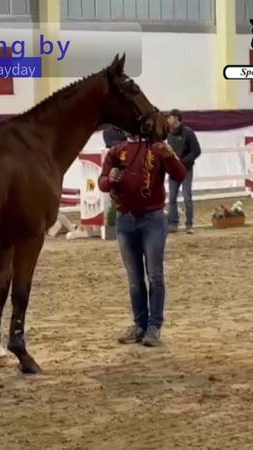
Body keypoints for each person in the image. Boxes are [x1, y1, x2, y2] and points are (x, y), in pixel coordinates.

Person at [98, 132, 186, 347]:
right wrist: (109, 179)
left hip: (152, 219)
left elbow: (180, 174)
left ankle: (154, 326)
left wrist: (170, 156)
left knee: (154, 275)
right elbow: (102, 182)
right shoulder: (116, 151)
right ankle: (140, 325)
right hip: (125, 220)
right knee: (134, 279)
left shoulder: (157, 148)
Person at [166, 109, 202, 233]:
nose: (168, 120)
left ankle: (189, 224)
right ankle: (173, 224)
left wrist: (183, 161)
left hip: (186, 169)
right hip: (173, 170)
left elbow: (196, 151)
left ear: (176, 118)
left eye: (170, 117)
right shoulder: (168, 133)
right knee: (172, 197)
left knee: (187, 196)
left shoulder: (188, 133)